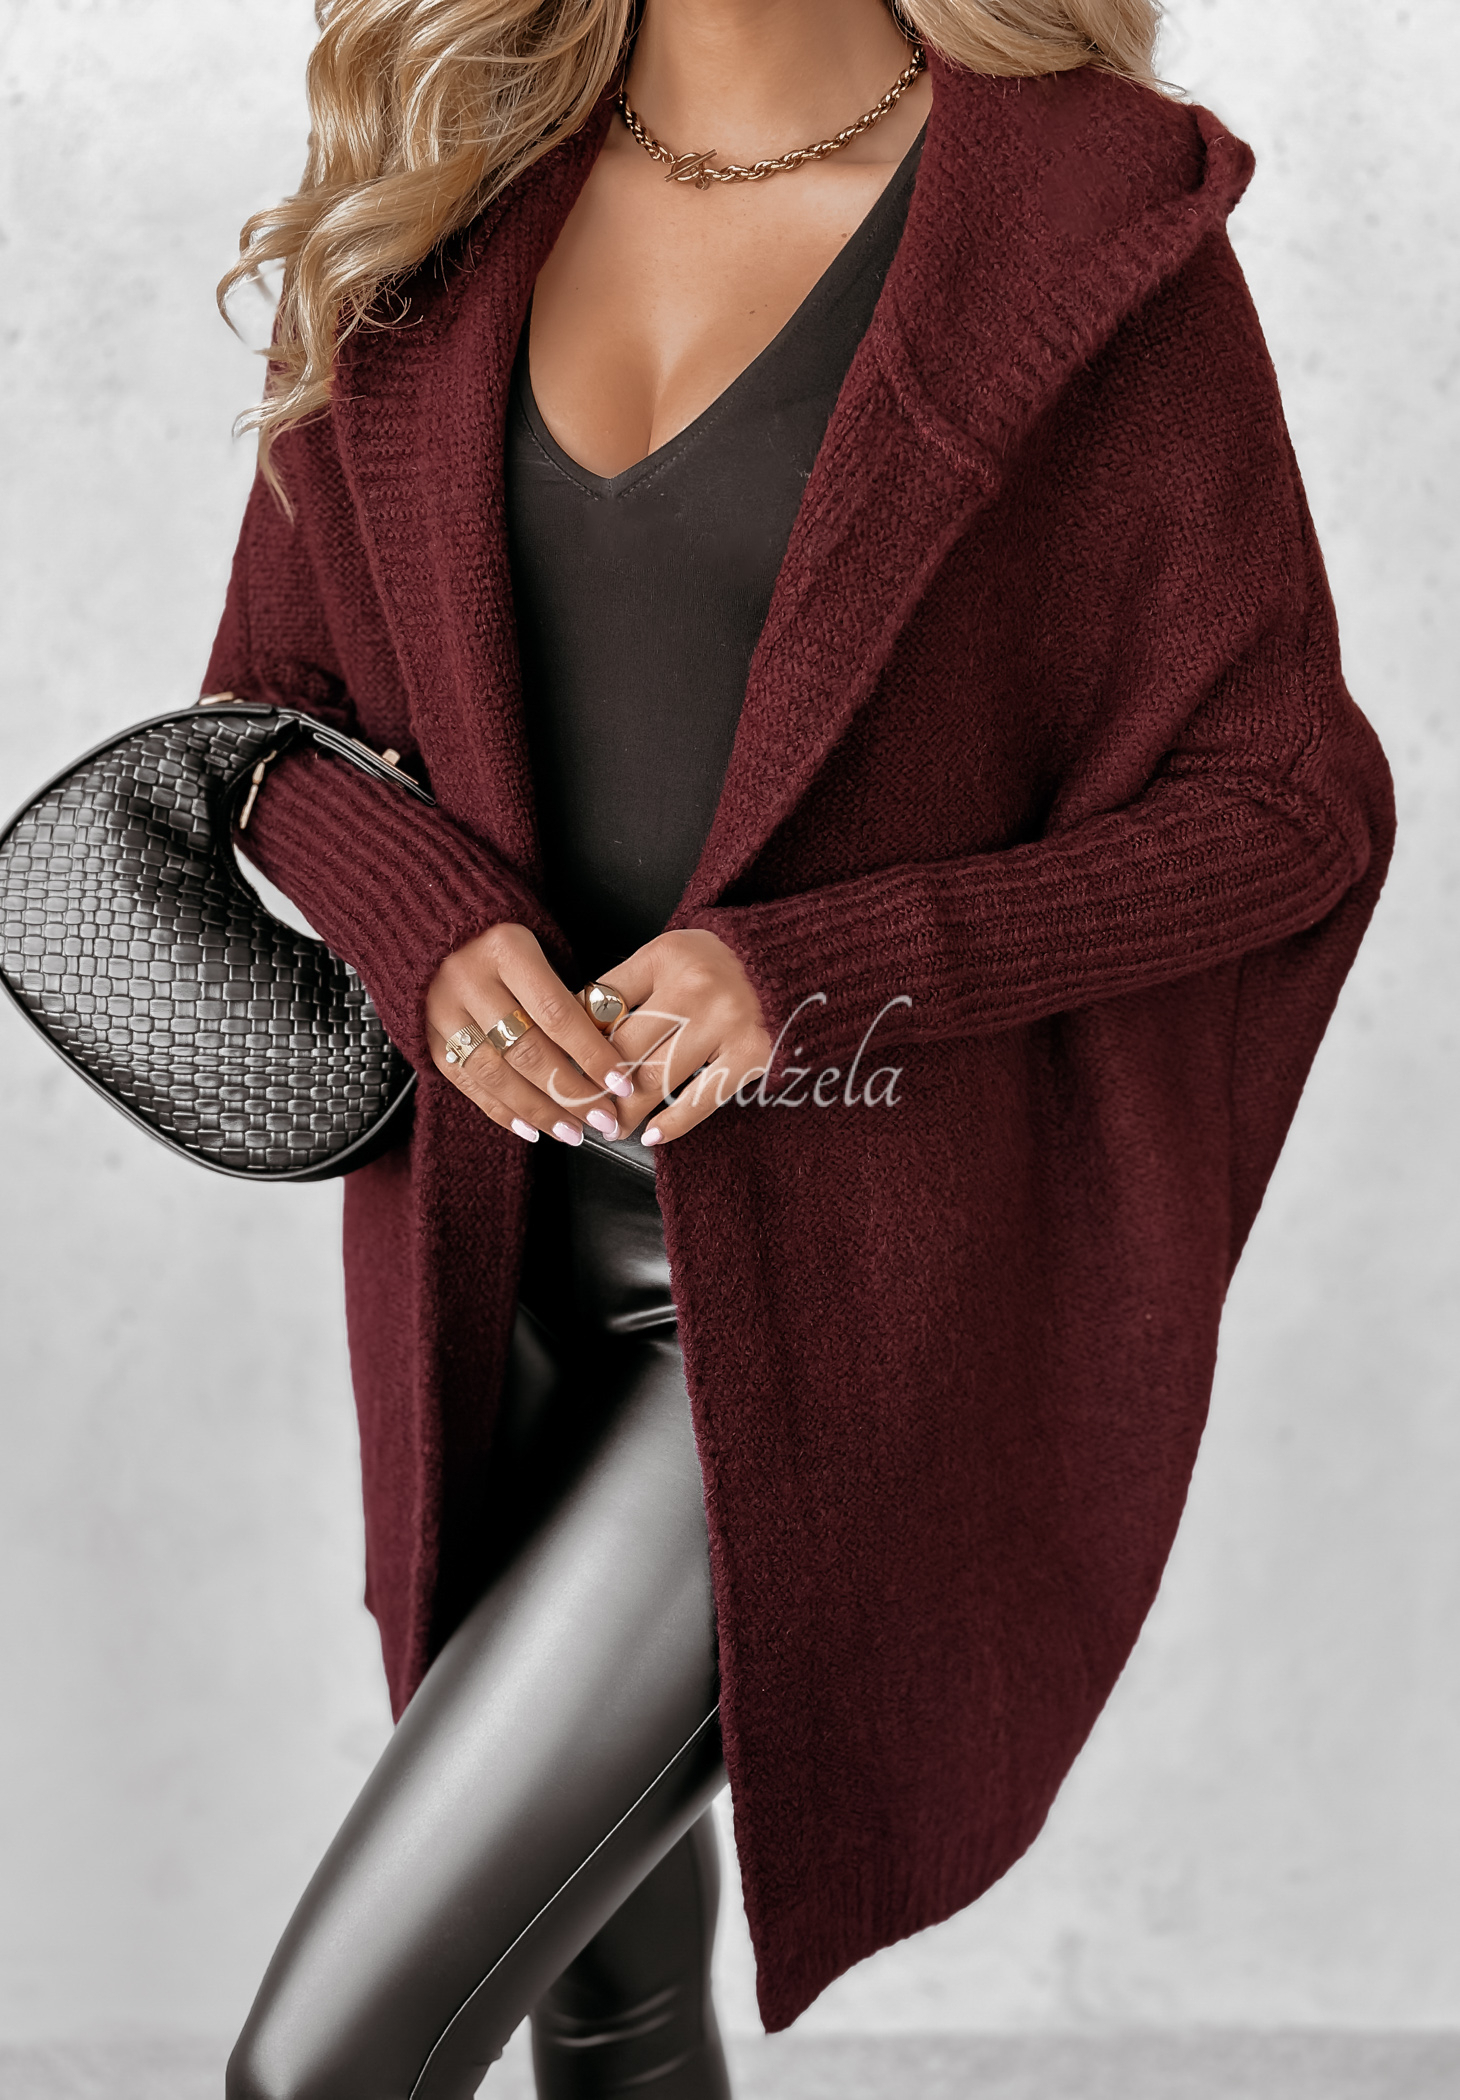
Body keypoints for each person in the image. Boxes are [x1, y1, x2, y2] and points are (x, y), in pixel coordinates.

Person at [205, 0, 1396, 2094]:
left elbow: (1289, 803)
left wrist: (823, 970)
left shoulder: (1080, 234)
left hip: (812, 1311)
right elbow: (264, 719)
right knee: (611, 2013)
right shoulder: (441, 205)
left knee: (319, 2067)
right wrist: (422, 912)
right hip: (482, 1275)